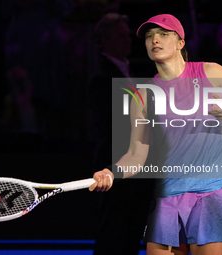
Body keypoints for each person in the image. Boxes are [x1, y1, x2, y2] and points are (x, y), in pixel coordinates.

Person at [89, 14, 222, 255]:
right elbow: (136, 155)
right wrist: (111, 172)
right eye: (149, 36)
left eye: (163, 34)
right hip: (167, 199)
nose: (154, 40)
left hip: (212, 193)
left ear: (180, 42)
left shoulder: (212, 73)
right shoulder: (143, 95)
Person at [88, 13, 154, 255]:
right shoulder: (102, 78)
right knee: (113, 231)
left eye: (128, 35)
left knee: (132, 231)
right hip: (116, 165)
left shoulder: (132, 73)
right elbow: (111, 125)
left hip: (140, 166)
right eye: (120, 36)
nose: (127, 40)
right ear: (104, 40)